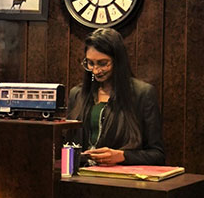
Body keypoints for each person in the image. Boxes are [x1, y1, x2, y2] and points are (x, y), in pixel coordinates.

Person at [66, 27, 165, 166]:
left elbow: (157, 155)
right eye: (90, 63)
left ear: (118, 61)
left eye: (103, 63)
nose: (96, 70)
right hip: (81, 174)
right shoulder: (77, 94)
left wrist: (122, 156)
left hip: (120, 176)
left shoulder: (142, 94)